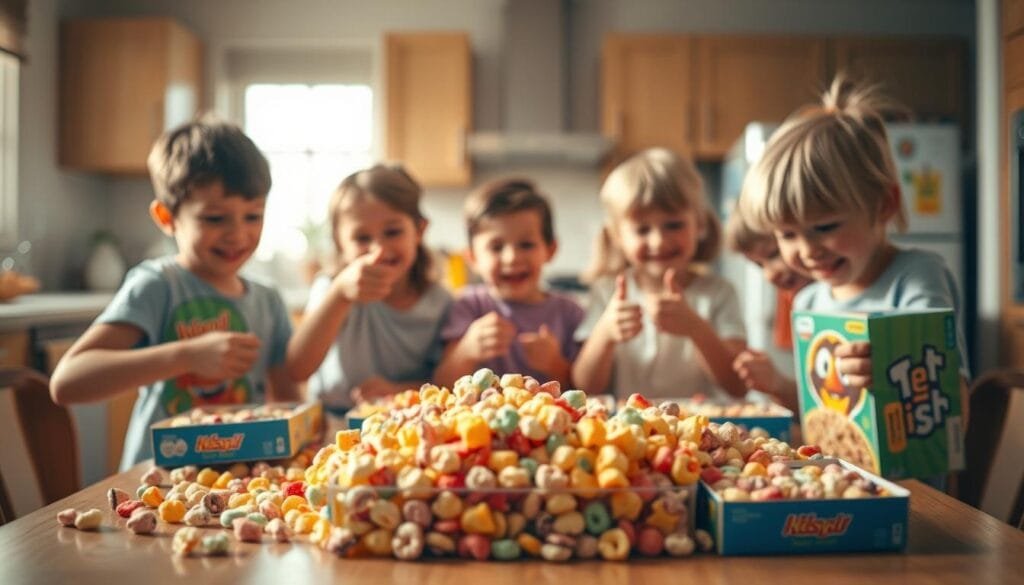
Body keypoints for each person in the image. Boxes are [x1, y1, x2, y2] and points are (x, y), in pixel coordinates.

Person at [51, 116, 298, 469]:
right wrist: (186, 356)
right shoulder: (157, 284)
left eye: (253, 216)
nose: (238, 234)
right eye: (215, 219)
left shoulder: (268, 299)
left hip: (245, 483)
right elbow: (68, 382)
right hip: (158, 484)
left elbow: (288, 401)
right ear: (167, 217)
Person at [737, 75, 970, 424]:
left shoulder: (916, 279)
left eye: (825, 227)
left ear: (883, 205)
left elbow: (957, 414)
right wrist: (778, 385)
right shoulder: (810, 303)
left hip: (907, 480)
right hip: (835, 475)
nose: (807, 250)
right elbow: (821, 414)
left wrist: (895, 370)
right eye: (787, 235)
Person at [573, 147, 747, 400]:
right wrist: (605, 334)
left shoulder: (718, 293)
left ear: (699, 224)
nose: (659, 241)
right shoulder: (607, 292)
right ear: (618, 236)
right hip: (629, 434)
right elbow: (584, 388)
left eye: (673, 225)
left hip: (702, 432)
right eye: (642, 230)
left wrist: (696, 329)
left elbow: (737, 386)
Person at [286, 164, 451, 414]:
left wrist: (399, 390)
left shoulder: (440, 303)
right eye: (362, 238)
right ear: (340, 241)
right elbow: (297, 368)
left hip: (409, 421)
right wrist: (339, 295)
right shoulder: (331, 289)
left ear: (419, 230)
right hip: (331, 418)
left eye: (393, 232)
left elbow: (447, 383)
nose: (379, 249)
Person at [434, 178, 583, 388]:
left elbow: (587, 389)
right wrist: (466, 351)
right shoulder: (469, 305)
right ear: (472, 258)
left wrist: (555, 364)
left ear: (550, 250)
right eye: (496, 247)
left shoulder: (570, 313)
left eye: (526, 245)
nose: (512, 257)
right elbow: (442, 384)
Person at [724, 207, 812, 411]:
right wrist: (776, 383)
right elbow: (818, 404)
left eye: (773, 254)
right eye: (759, 264)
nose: (769, 275)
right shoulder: (804, 306)